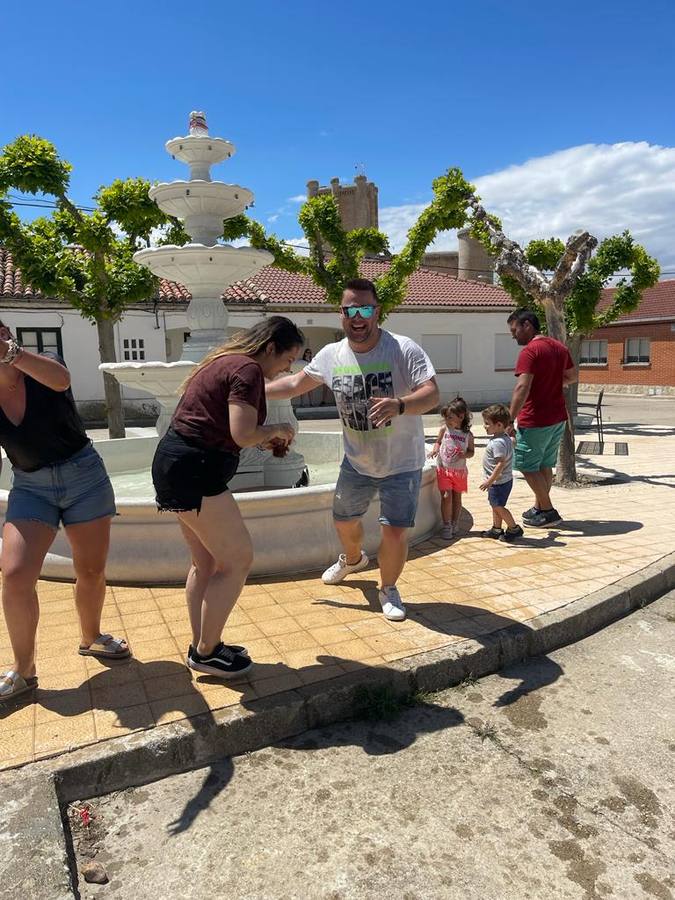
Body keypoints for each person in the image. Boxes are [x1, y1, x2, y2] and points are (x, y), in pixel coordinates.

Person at [266, 278, 439, 622]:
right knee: (344, 522)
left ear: (377, 312)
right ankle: (353, 559)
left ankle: (387, 588)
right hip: (356, 463)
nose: (357, 317)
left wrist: (400, 405)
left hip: (402, 463)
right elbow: (294, 384)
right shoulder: (332, 355)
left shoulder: (402, 349)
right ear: (341, 313)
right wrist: (250, 388)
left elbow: (432, 394)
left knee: (394, 529)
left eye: (365, 309)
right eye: (350, 310)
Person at [151, 316, 303, 679]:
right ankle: (207, 651)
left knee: (205, 563)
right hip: (195, 471)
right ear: (270, 348)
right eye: (287, 359)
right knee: (238, 559)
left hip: (178, 464)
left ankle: (203, 645)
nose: (287, 368)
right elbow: (241, 432)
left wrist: (261, 436)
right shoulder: (248, 369)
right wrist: (278, 428)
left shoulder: (227, 361)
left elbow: (223, 427)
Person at [0, 321, 125, 703]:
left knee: (90, 570)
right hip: (30, 486)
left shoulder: (41, 363)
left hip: (83, 476)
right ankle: (24, 671)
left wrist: (13, 355)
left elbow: (60, 379)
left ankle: (92, 638)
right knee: (16, 573)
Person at [508, 309, 577, 528]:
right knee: (544, 465)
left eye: (514, 330)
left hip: (535, 419)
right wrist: (553, 382)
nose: (513, 336)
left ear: (527, 325)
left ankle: (548, 511)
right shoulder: (558, 347)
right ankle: (539, 508)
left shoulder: (530, 351)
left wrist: (509, 419)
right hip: (557, 417)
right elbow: (572, 376)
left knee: (526, 465)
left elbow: (522, 386)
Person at [429, 397, 474, 540]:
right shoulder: (444, 429)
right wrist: (435, 450)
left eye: (450, 417)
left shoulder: (468, 435)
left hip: (459, 472)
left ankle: (455, 523)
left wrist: (464, 454)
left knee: (457, 498)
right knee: (446, 497)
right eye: (446, 417)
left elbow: (472, 452)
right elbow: (438, 442)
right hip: (444, 469)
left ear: (461, 417)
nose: (447, 420)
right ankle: (446, 525)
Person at [479, 404, 523, 542]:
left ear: (498, 425)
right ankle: (496, 529)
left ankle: (514, 528)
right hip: (504, 481)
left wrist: (490, 481)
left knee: (498, 506)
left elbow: (500, 463)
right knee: (495, 505)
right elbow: (513, 441)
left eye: (487, 424)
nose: (484, 426)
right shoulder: (506, 438)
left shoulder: (498, 442)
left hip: (498, 482)